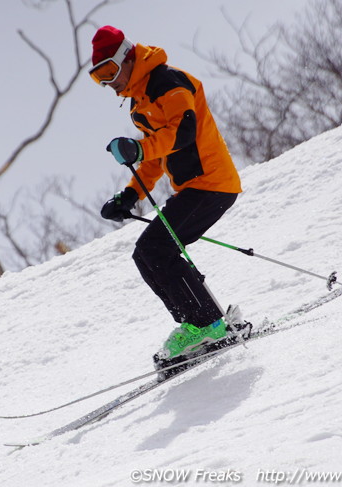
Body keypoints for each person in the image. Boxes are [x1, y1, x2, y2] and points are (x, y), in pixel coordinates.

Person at [90, 26, 244, 361]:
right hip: (194, 188)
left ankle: (208, 324)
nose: (107, 82)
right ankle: (199, 325)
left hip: (212, 183)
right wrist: (130, 196)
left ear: (128, 57)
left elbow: (183, 132)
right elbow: (155, 159)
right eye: (98, 77)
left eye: (109, 71)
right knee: (144, 254)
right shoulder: (139, 102)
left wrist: (139, 148)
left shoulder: (168, 82)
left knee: (157, 246)